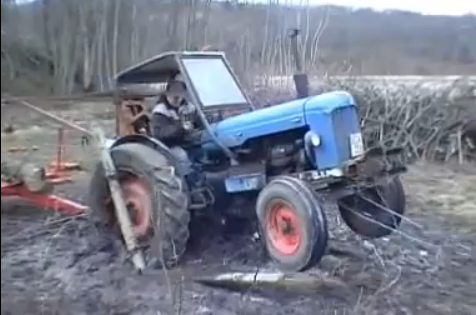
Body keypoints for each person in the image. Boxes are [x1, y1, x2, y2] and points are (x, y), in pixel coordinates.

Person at [151, 75, 200, 177]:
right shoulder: (160, 111)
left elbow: (199, 123)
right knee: (181, 156)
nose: (176, 99)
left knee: (207, 149)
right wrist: (180, 128)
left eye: (179, 96)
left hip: (188, 141)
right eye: (174, 97)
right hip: (168, 145)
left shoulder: (189, 107)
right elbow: (160, 134)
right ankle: (187, 184)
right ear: (167, 94)